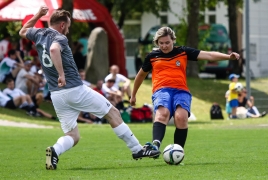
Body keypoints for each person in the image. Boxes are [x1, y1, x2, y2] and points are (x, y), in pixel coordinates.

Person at [19, 6, 160, 170]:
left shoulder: (38, 34)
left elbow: (23, 30)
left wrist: (38, 15)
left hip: (56, 95)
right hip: (74, 90)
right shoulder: (60, 38)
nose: (68, 30)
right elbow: (53, 49)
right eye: (69, 26)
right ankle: (137, 149)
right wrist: (61, 74)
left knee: (73, 135)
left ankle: (55, 150)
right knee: (113, 112)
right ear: (63, 25)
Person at [130, 27, 240, 157]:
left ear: (173, 41)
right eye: (161, 43)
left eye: (167, 43)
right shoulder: (152, 57)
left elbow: (208, 55)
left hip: (181, 91)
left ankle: (177, 153)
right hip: (161, 90)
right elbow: (141, 75)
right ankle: (154, 146)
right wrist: (133, 95)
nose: (164, 46)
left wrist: (228, 57)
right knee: (162, 113)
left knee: (181, 118)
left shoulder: (183, 52)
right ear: (157, 43)